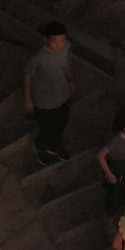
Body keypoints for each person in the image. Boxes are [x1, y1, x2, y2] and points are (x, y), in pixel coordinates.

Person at [23, 22, 73, 164]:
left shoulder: (66, 47)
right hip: (44, 101)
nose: (59, 45)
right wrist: (27, 99)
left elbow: (67, 61)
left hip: (62, 95)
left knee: (62, 122)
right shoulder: (37, 58)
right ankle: (40, 148)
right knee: (46, 127)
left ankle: (54, 146)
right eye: (54, 41)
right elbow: (27, 76)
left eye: (62, 41)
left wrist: (70, 79)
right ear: (46, 39)